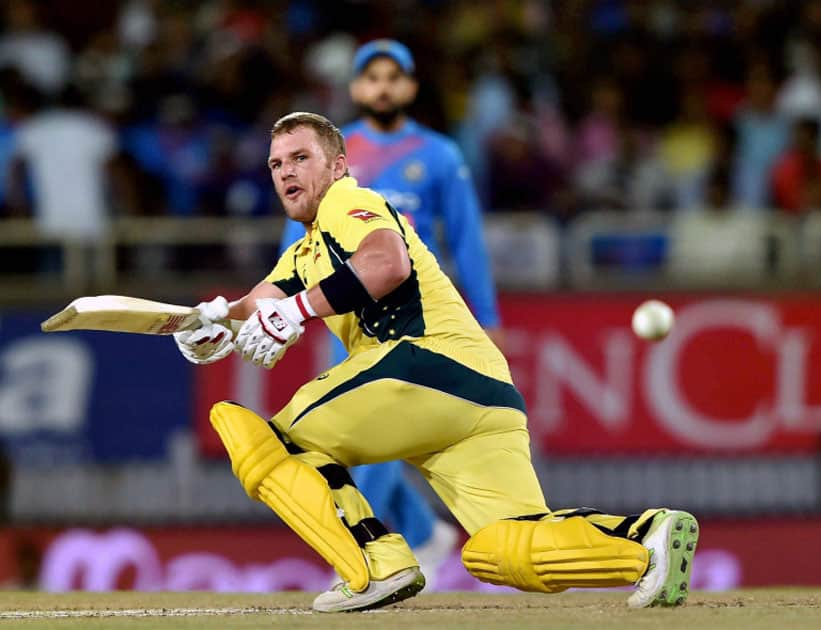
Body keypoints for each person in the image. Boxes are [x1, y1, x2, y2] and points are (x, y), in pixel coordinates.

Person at [174, 112, 699, 613]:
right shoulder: (304, 253)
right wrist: (211, 323)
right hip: (486, 395)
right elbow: (252, 308)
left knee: (272, 444)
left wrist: (297, 310)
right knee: (503, 546)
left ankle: (375, 564)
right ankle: (645, 539)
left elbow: (386, 264)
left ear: (337, 166)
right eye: (275, 164)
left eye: (299, 157)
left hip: (424, 364)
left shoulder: (347, 200)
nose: (285, 171)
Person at [278, 39, 500, 580]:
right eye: (371, 77)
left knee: (370, 428)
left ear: (411, 86)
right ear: (356, 89)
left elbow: (467, 241)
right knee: (353, 433)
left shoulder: (441, 154)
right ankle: (421, 533)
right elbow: (298, 233)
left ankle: (367, 554)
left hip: (409, 310)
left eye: (393, 76)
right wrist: (290, 306)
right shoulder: (329, 152)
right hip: (342, 312)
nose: (382, 86)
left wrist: (489, 318)